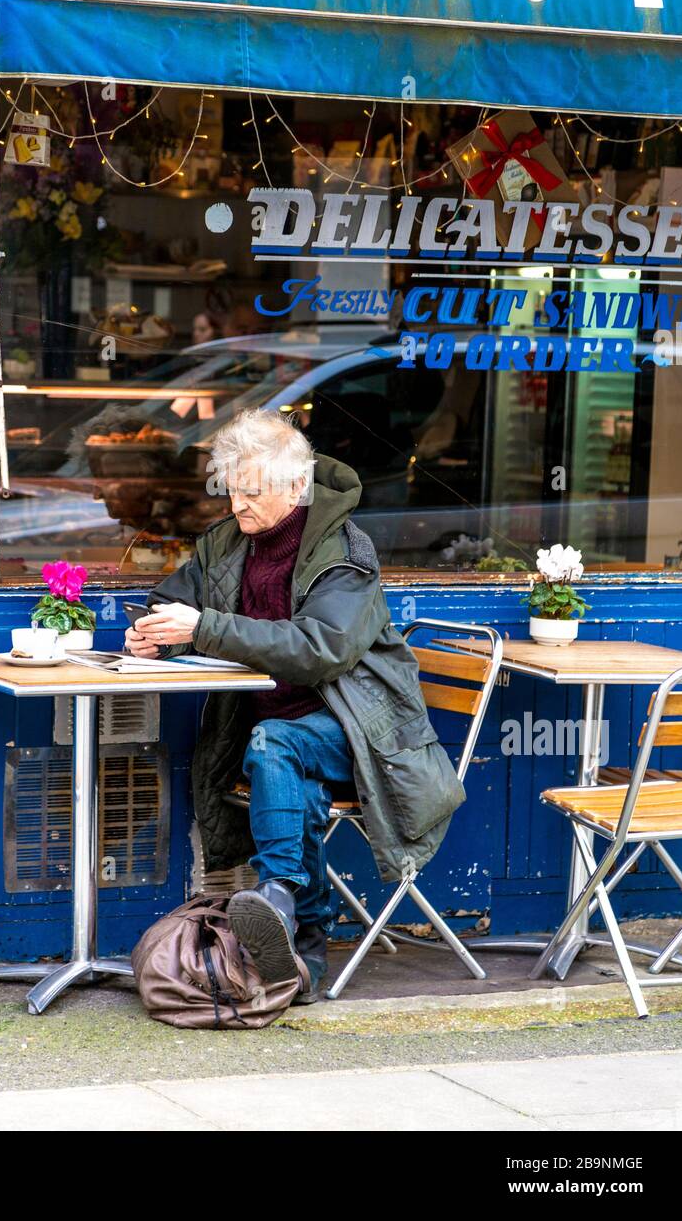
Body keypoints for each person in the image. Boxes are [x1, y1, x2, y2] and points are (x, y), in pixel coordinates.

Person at [125, 408, 461, 1001]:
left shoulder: (346, 556)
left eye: (251, 493)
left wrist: (202, 627)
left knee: (274, 743)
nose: (237, 506)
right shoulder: (229, 542)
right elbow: (173, 597)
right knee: (287, 773)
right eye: (232, 491)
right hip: (274, 737)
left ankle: (280, 897)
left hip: (360, 731)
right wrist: (155, 631)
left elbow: (318, 650)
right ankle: (300, 951)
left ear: (295, 487)